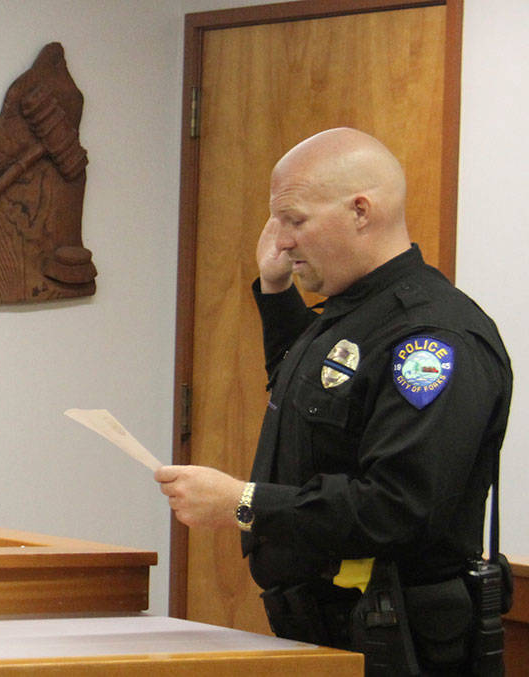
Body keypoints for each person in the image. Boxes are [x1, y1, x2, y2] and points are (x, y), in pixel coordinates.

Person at [155, 128, 511, 675]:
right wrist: (276, 294)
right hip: (331, 629)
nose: (280, 240)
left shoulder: (431, 339)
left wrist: (244, 503)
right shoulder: (357, 310)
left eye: (294, 220)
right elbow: (315, 394)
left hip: (397, 641)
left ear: (361, 211)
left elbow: (398, 506)